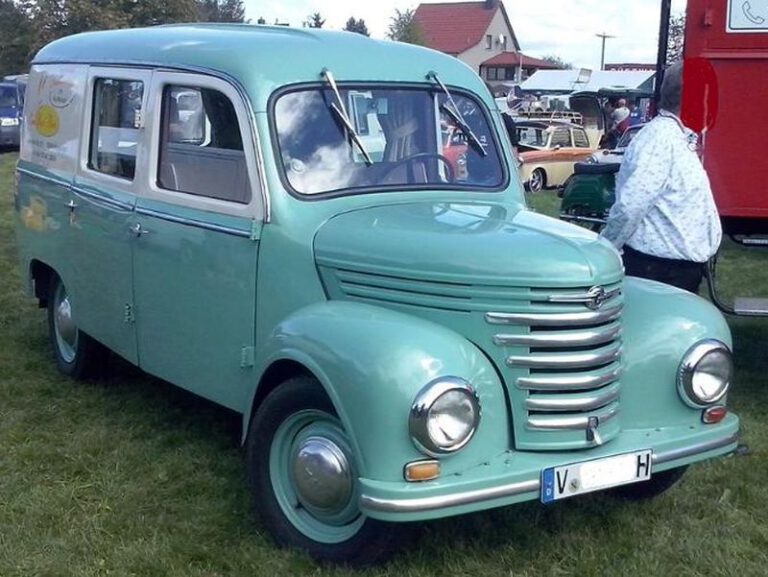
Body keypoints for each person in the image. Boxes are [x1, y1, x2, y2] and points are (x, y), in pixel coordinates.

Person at [600, 62, 721, 293]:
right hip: (659, 272)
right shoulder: (660, 140)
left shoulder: (675, 137)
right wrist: (605, 251)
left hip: (671, 270)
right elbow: (631, 205)